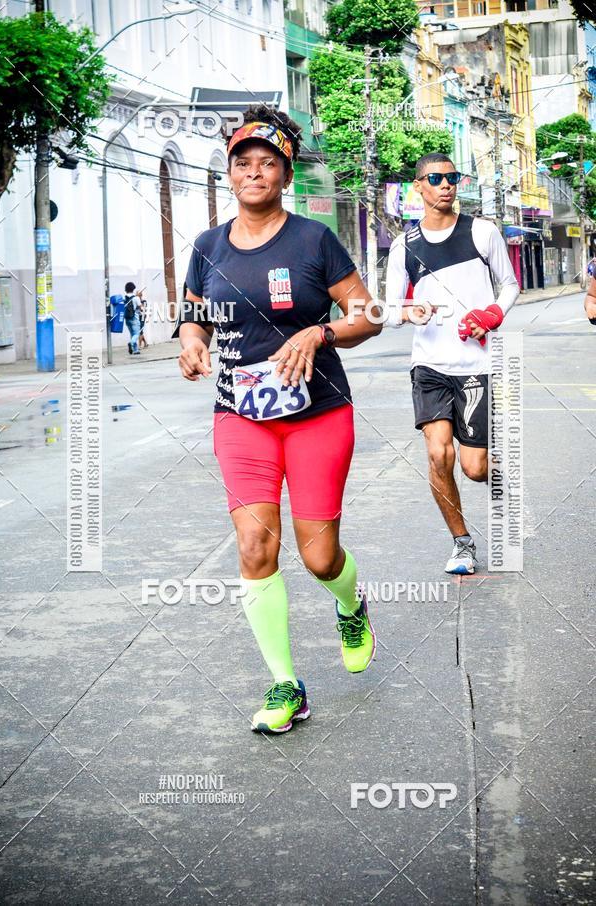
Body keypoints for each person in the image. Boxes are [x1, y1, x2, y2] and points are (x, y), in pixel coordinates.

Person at [173, 105, 381, 733]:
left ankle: (350, 604)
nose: (255, 173)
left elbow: (367, 314)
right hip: (240, 415)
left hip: (316, 414)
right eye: (244, 163)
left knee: (319, 558)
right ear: (230, 174)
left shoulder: (314, 239)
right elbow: (194, 315)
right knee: (256, 546)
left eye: (269, 164)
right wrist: (190, 339)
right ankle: (285, 685)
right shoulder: (207, 247)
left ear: (285, 176)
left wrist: (320, 332)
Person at [385, 152, 520, 575]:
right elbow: (388, 310)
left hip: (476, 366)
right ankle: (462, 543)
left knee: (474, 467)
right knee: (439, 455)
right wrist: (410, 311)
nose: (446, 185)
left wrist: (492, 315)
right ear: (419, 187)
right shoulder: (403, 246)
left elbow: (510, 285)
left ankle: (498, 473)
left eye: (452, 177)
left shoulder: (482, 233)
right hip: (429, 366)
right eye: (436, 178)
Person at [124, 281, 142, 355]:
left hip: (127, 318)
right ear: (133, 289)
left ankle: (135, 350)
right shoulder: (136, 298)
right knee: (136, 334)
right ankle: (131, 343)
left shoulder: (124, 298)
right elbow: (141, 308)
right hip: (134, 318)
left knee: (132, 334)